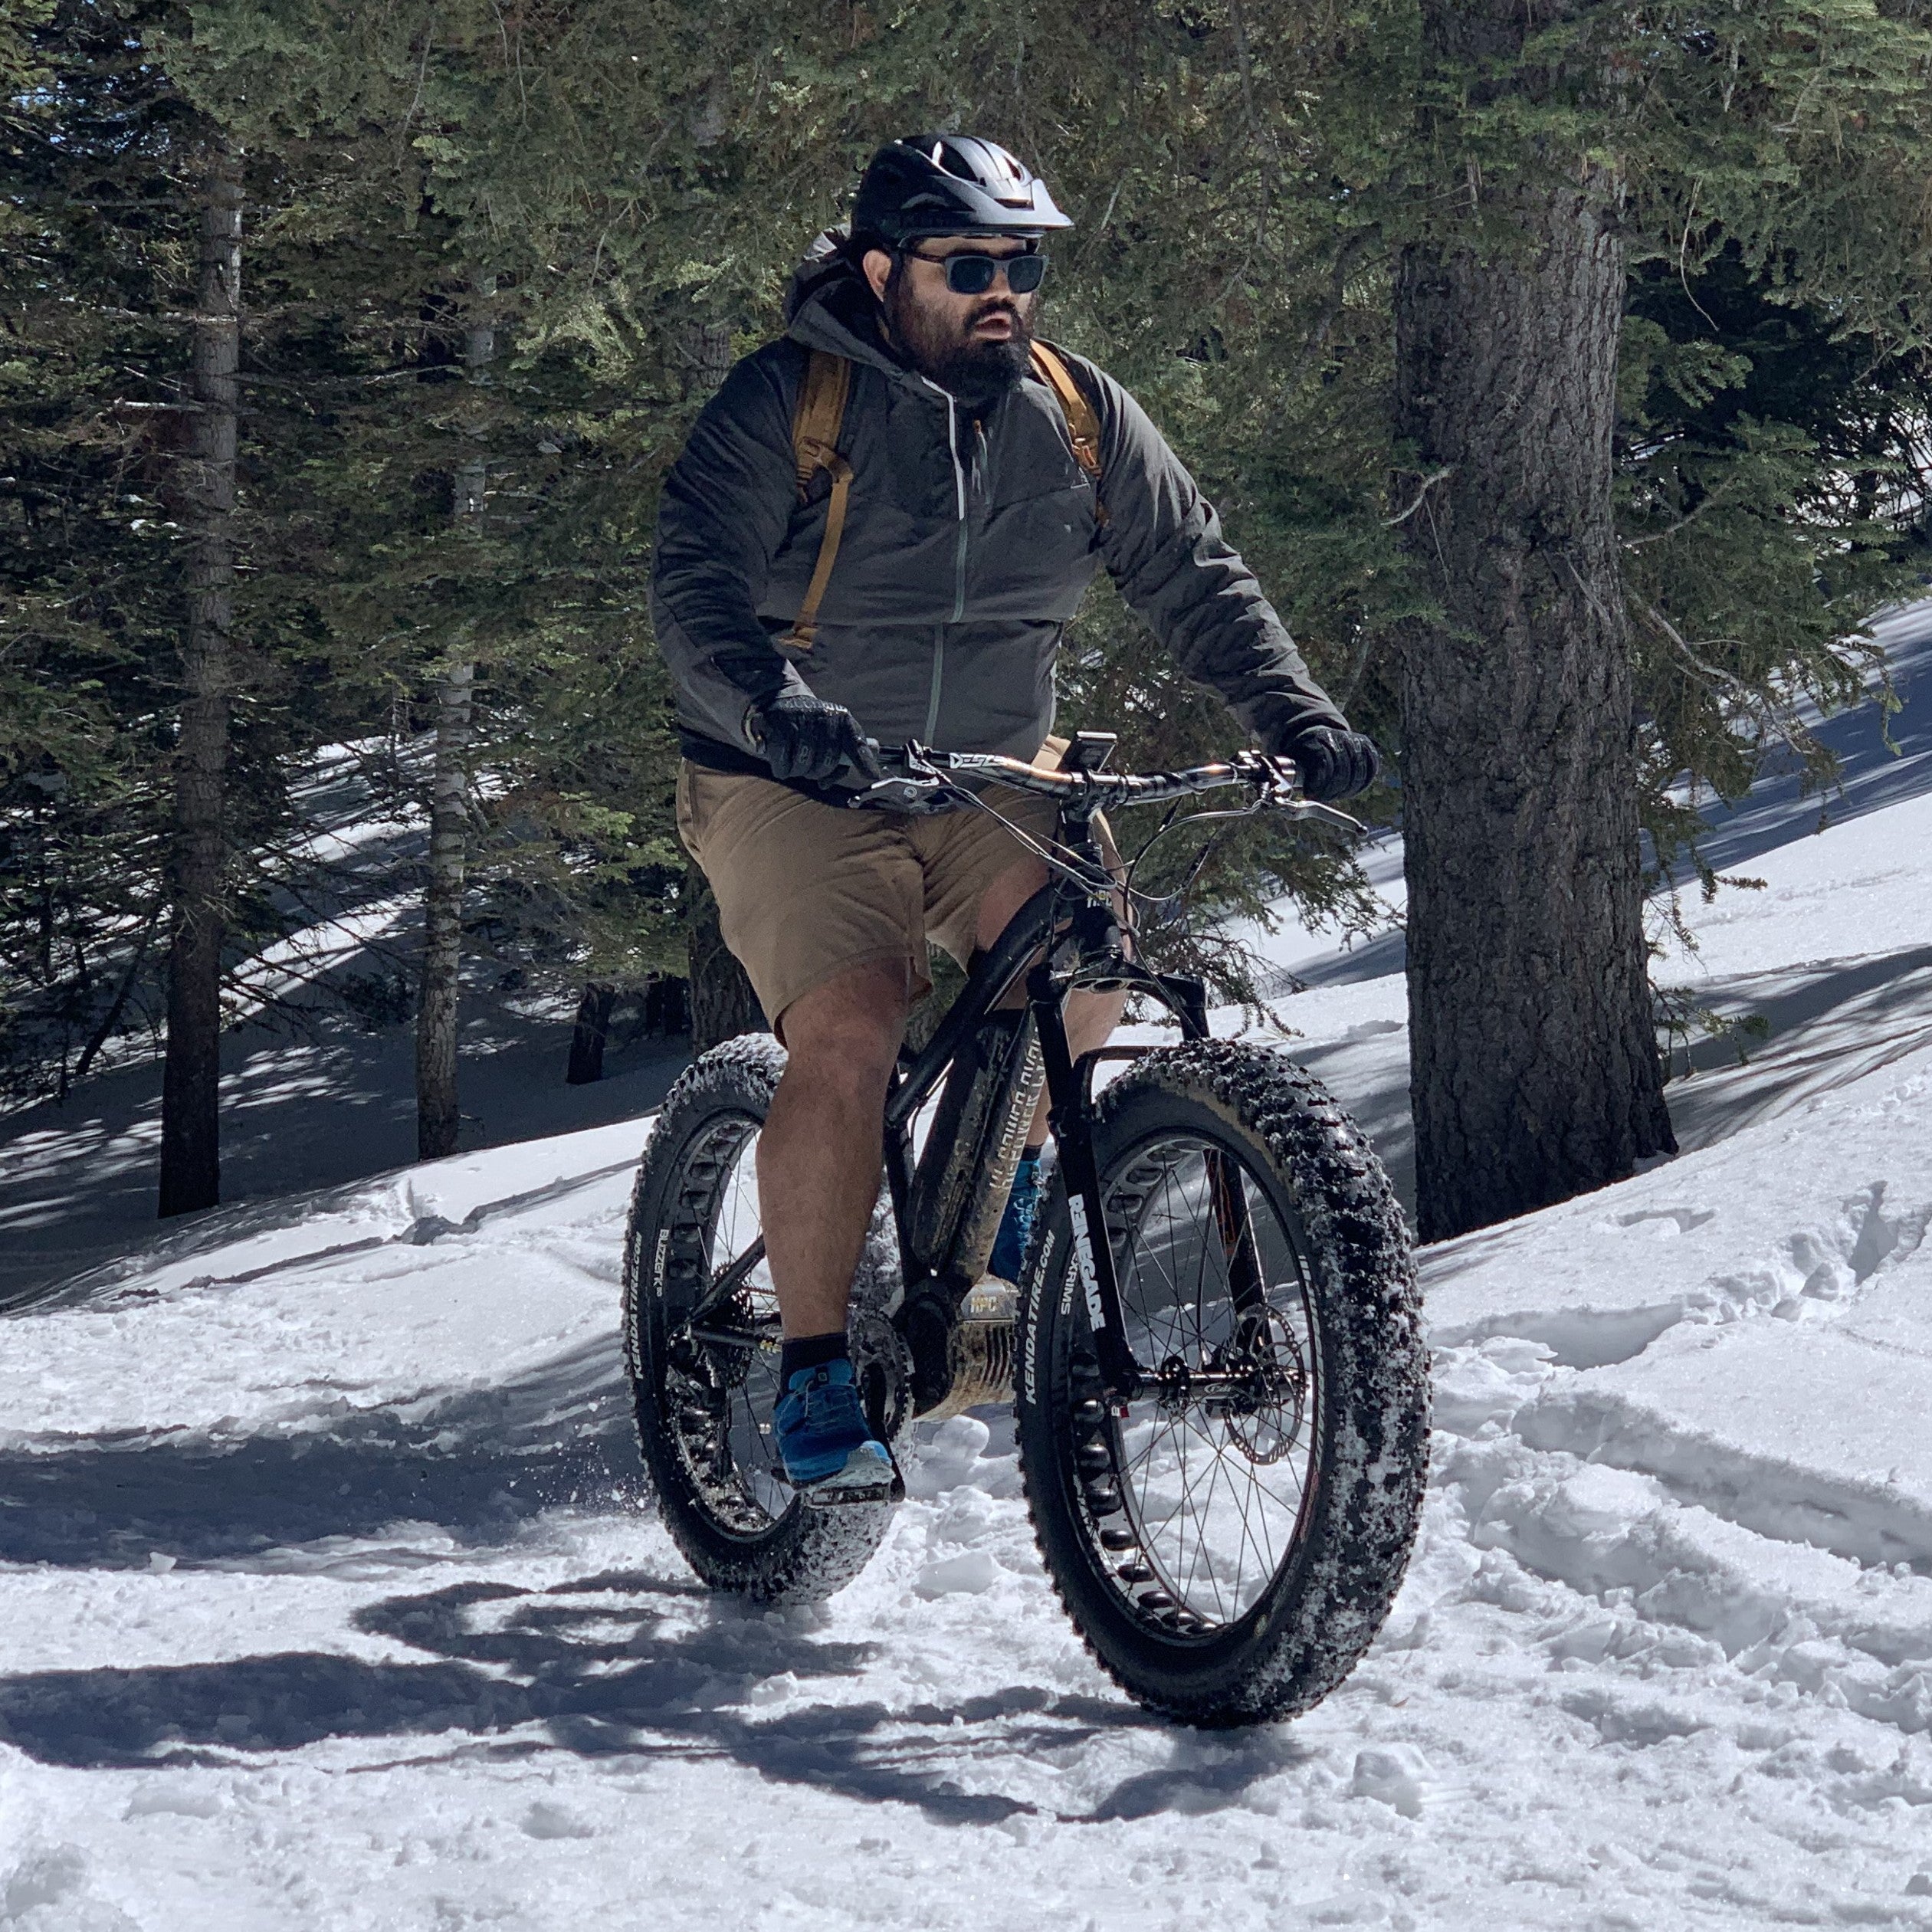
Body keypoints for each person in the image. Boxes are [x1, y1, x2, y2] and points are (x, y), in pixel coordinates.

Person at [651, 134, 1379, 1501]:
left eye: (1023, 266)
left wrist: (1292, 712)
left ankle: (1013, 1187)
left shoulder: (1076, 409)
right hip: (786, 774)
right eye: (970, 265)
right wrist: (775, 705)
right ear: (881, 271)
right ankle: (815, 1367)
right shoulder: (786, 404)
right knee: (855, 1014)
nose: (1006, 292)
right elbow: (692, 590)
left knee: (1083, 942)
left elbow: (1194, 571)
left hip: (988, 768)